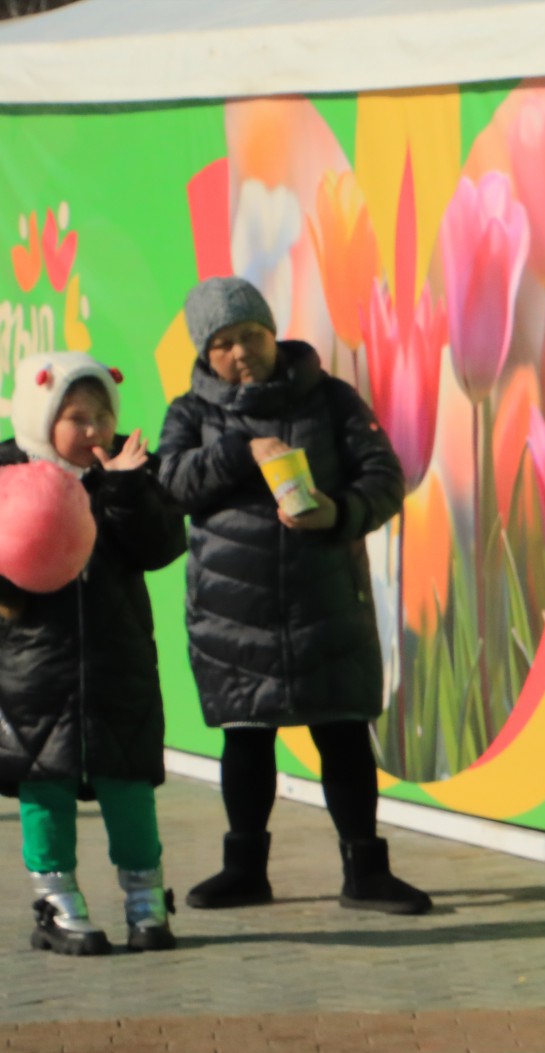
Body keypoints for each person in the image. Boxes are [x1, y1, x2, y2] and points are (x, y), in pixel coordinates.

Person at [155, 276, 428, 915]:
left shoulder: (331, 399)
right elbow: (172, 486)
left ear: (273, 333)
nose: (241, 352)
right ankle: (244, 871)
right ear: (205, 353)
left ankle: (366, 872)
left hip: (326, 603)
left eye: (251, 335)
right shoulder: (191, 412)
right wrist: (239, 450)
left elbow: (384, 476)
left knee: (343, 735)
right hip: (232, 615)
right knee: (247, 740)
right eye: (223, 343)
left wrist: (338, 512)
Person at [0, 352, 186, 954]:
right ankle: (57, 904)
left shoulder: (128, 471)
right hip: (32, 670)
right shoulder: (6, 471)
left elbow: (161, 546)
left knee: (128, 784)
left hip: (118, 664)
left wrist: (127, 489)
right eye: (76, 418)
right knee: (44, 787)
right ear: (42, 415)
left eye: (101, 416)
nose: (93, 431)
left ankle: (146, 901)